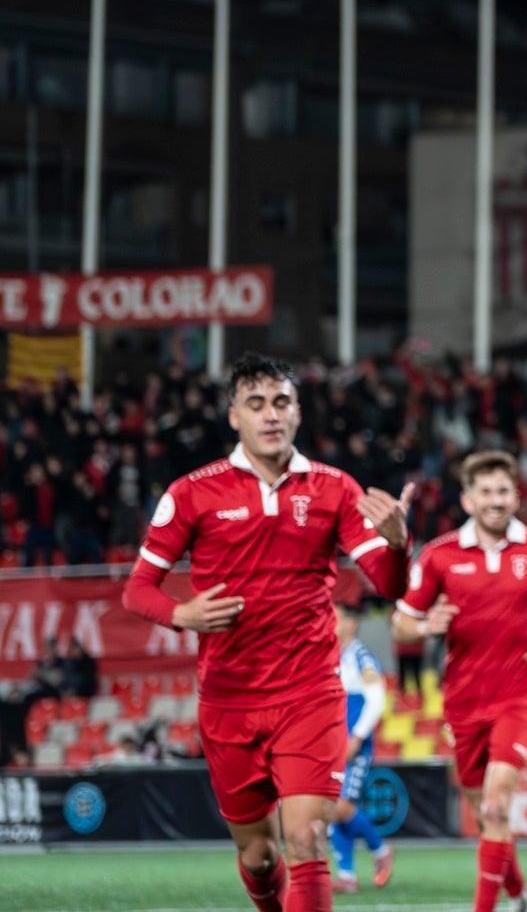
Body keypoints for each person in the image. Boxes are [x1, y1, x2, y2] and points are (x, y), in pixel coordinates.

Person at [122, 351, 413, 912]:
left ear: (298, 412)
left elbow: (389, 583)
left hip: (310, 694)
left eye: (281, 402)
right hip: (229, 702)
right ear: (235, 416)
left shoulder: (335, 488)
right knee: (259, 857)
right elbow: (138, 589)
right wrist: (182, 615)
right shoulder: (192, 493)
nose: (270, 415)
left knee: (306, 839)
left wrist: (399, 545)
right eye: (256, 404)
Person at [392, 451, 527, 912]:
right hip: (462, 700)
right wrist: (424, 628)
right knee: (485, 814)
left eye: (503, 491)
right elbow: (401, 623)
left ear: (516, 496)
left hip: (520, 693)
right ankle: (519, 895)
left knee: (496, 806)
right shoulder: (440, 554)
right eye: (485, 492)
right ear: (467, 499)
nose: (495, 501)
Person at [331, 603, 393, 892]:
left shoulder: (360, 657)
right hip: (330, 746)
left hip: (353, 747)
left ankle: (380, 850)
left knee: (341, 808)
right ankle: (346, 875)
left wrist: (356, 738)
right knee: (332, 809)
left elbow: (377, 699)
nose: (330, 621)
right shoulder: (330, 656)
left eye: (337, 616)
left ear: (351, 624)